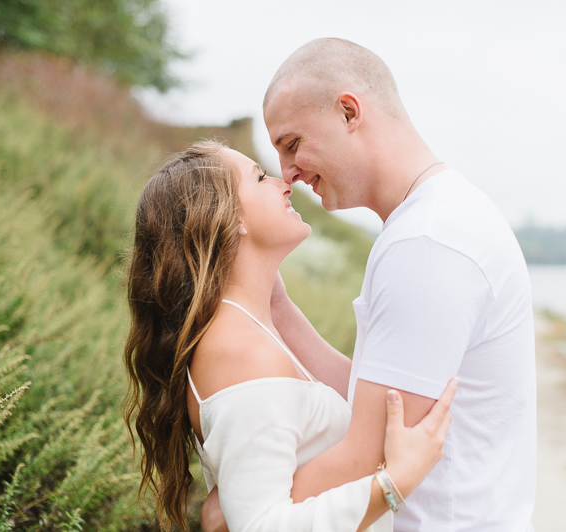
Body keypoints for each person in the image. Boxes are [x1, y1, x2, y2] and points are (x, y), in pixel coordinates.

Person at [201, 38, 536, 531]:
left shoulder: (428, 243)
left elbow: (367, 454)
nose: (288, 173)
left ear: (349, 112)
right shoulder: (429, 223)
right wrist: (280, 310)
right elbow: (375, 398)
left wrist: (231, 511)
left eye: (292, 143)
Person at [122, 140, 458, 532]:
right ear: (230, 219)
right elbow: (263, 526)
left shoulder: (248, 333)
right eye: (260, 177)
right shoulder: (242, 352)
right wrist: (393, 484)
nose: (284, 183)